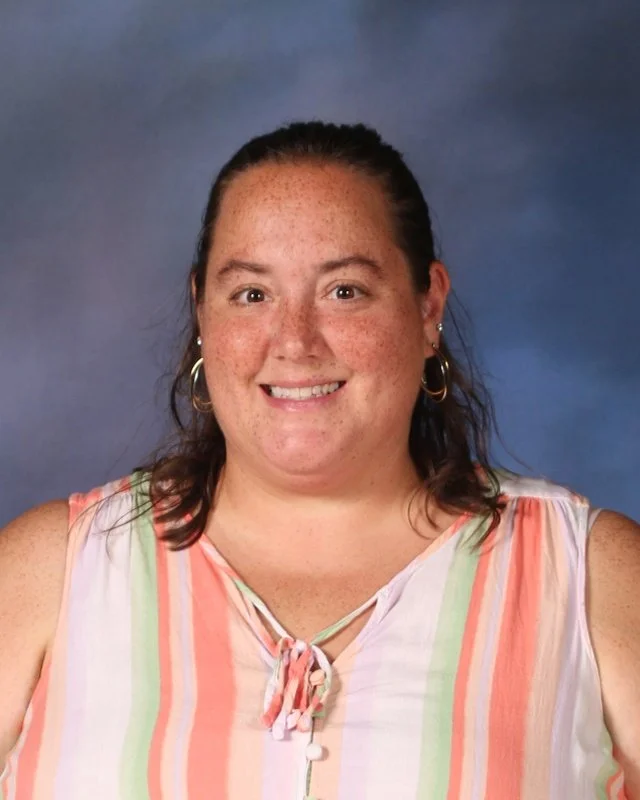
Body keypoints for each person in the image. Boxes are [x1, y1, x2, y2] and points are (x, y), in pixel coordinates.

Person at [0, 121, 638, 800]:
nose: (295, 343)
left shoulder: (590, 576)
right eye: (252, 294)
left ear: (428, 307)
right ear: (201, 313)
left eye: (345, 292)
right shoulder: (50, 574)